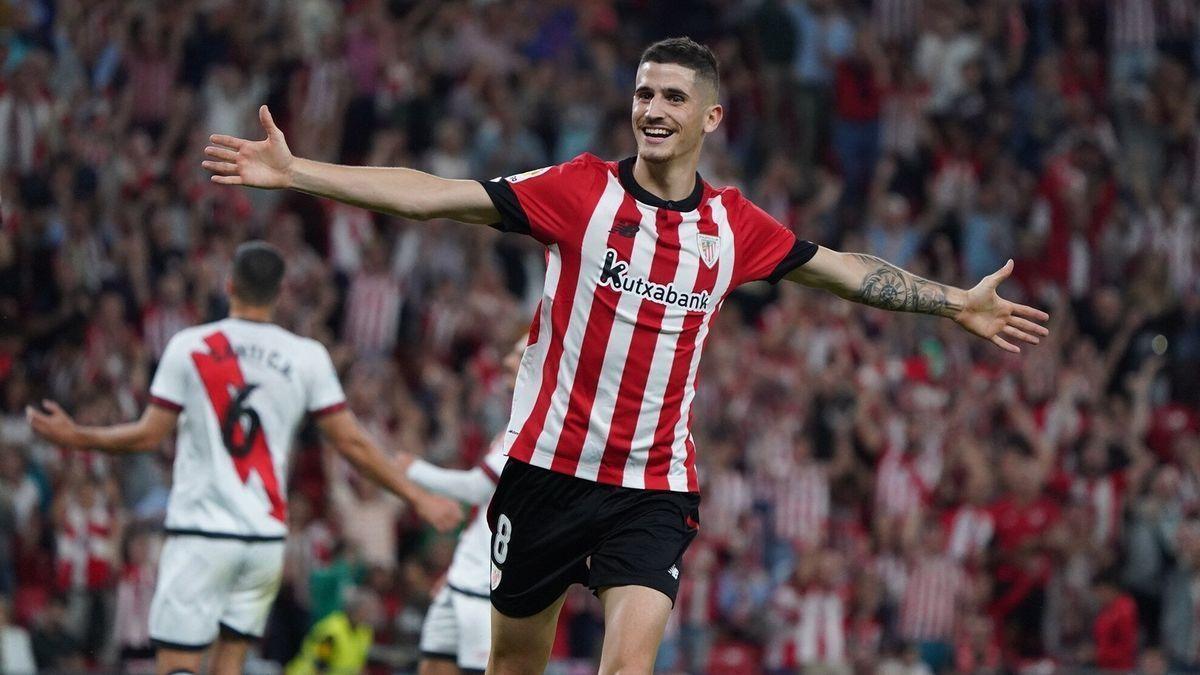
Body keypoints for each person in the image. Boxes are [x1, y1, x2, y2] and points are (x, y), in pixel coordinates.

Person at [202, 37, 1049, 675]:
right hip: (543, 475)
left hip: (653, 487)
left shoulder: (735, 226)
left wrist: (953, 301)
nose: (654, 107)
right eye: (644, 92)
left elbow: (848, 273)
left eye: (675, 97)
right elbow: (435, 196)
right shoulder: (581, 192)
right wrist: (301, 173)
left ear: (710, 117)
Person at [25, 241, 463, 675]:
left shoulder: (191, 346)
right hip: (263, 540)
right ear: (279, 291)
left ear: (229, 283)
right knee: (230, 663)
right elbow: (353, 443)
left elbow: (147, 436)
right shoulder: (307, 356)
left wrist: (79, 435)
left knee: (178, 663)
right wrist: (418, 498)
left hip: (201, 533)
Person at [405, 334, 526, 675]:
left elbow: (475, 488)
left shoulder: (537, 429)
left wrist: (412, 469)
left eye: (518, 355)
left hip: (486, 592)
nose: (506, 362)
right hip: (462, 580)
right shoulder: (510, 425)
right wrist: (458, 570)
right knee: (431, 666)